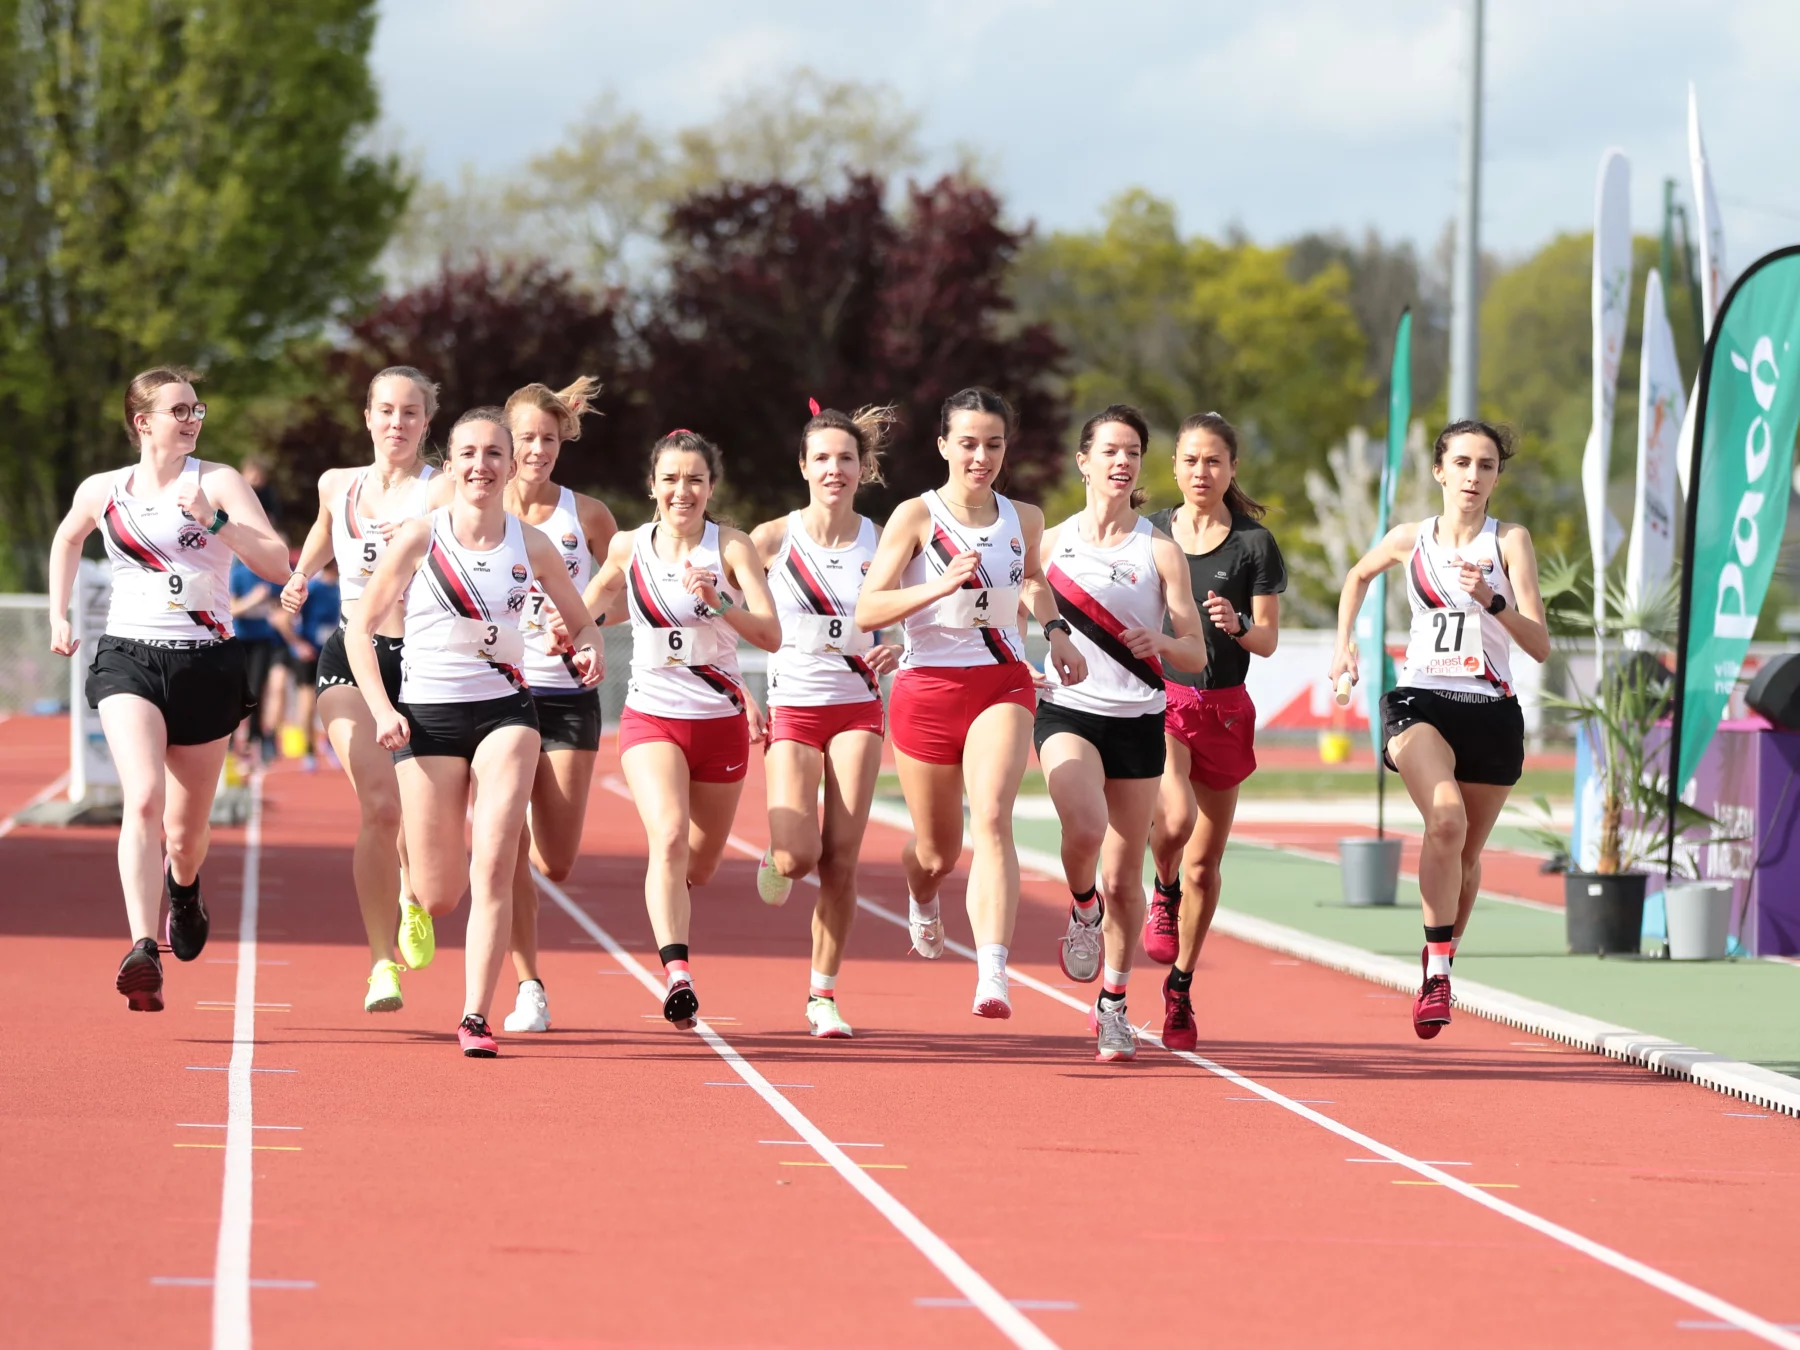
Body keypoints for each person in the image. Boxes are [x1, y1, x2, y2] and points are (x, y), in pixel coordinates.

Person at [347, 407, 603, 1057]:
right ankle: (411, 890)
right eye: (468, 453)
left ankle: (474, 1017)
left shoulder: (531, 544)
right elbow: (360, 628)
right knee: (441, 894)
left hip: (505, 714)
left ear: (510, 465)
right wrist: (383, 710)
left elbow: (585, 621)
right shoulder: (420, 537)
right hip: (427, 716)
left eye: (494, 454)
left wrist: (589, 647)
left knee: (495, 862)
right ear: (451, 462)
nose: (481, 466)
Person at [47, 367, 290, 1011]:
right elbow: (68, 536)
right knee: (145, 797)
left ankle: (183, 887)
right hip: (128, 655)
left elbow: (277, 563)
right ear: (142, 422)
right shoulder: (105, 489)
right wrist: (58, 612)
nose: (191, 419)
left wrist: (218, 525)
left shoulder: (218, 481)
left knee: (185, 833)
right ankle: (142, 946)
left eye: (196, 409)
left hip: (206, 662)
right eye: (178, 409)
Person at [856, 387, 1083, 1019]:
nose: (981, 457)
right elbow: (869, 609)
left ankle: (992, 971)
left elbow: (1033, 578)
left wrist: (1056, 631)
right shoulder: (916, 517)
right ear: (943, 447)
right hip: (927, 689)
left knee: (992, 817)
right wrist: (939, 585)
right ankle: (922, 894)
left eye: (993, 444)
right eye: (968, 444)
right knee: (936, 852)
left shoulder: (1025, 518)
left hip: (1002, 683)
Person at [1330, 419, 1548, 1038]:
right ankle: (1440, 972)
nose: (1473, 477)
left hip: (1491, 710)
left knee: (1467, 857)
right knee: (1445, 820)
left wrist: (1494, 601)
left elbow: (1539, 646)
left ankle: (1437, 962)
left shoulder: (1511, 543)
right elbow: (1356, 577)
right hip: (1421, 701)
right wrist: (1344, 646)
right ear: (1440, 471)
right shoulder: (1410, 538)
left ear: (1497, 476)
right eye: (1462, 463)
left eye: (1486, 466)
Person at [1029, 405, 1208, 1062]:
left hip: (1137, 719)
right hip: (1069, 712)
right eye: (1109, 450)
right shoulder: (1049, 543)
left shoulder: (1159, 550)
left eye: (1132, 451)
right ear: (1084, 461)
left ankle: (1113, 1004)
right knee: (1082, 827)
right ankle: (1082, 909)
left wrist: (1161, 639)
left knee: (1126, 875)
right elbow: (1009, 600)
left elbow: (1194, 653)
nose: (1121, 462)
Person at [585, 429, 782, 1029]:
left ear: (711, 486)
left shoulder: (734, 548)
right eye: (670, 479)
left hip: (719, 723)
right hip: (651, 717)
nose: (682, 491)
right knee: (667, 837)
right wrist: (563, 629)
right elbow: (586, 605)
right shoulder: (628, 546)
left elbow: (770, 635)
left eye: (694, 479)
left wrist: (720, 601)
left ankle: (672, 899)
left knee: (699, 863)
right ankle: (678, 974)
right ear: (652, 486)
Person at [281, 367, 440, 1014]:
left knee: (425, 821)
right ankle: (381, 963)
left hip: (430, 661)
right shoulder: (336, 483)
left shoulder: (447, 487)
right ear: (367, 416)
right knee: (380, 805)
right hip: (353, 654)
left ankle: (414, 894)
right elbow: (325, 527)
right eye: (385, 410)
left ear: (427, 421)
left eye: (410, 412)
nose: (396, 423)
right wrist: (301, 573)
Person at [749, 401, 903, 1039]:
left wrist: (904, 648)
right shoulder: (770, 539)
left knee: (843, 860)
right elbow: (722, 619)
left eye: (846, 458)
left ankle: (822, 995)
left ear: (863, 467)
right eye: (823, 459)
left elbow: (916, 612)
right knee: (797, 857)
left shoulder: (883, 538)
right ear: (803, 467)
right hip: (793, 704)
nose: (834, 469)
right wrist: (738, 687)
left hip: (859, 707)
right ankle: (776, 854)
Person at [1142, 412, 1287, 1051]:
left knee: (1205, 864)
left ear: (1231, 470)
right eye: (1191, 460)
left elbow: (1270, 641)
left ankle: (1180, 985)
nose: (1202, 472)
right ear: (1173, 466)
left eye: (1214, 462)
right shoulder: (1148, 537)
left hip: (1225, 708)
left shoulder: (1255, 545)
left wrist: (1233, 625)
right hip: (1164, 699)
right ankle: (1160, 887)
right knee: (1173, 820)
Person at [497, 377, 618, 1035]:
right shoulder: (478, 513)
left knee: (557, 860)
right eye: (524, 439)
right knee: (508, 844)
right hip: (499, 694)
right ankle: (529, 986)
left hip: (569, 693)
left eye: (547, 439)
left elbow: (628, 591)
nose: (535, 451)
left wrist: (585, 620)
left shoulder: (588, 515)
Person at [229, 553, 291, 765]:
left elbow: (279, 604)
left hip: (263, 641)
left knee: (256, 690)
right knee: (234, 690)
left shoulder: (270, 577)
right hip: (240, 640)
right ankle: (229, 740)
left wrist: (278, 612)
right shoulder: (237, 574)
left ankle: (256, 737)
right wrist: (252, 600)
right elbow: (231, 609)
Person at [288, 559, 342, 771]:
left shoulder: (341, 589)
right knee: (308, 704)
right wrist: (298, 644)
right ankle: (309, 750)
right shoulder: (313, 588)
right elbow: (281, 619)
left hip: (332, 654)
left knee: (335, 702)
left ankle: (330, 743)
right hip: (309, 655)